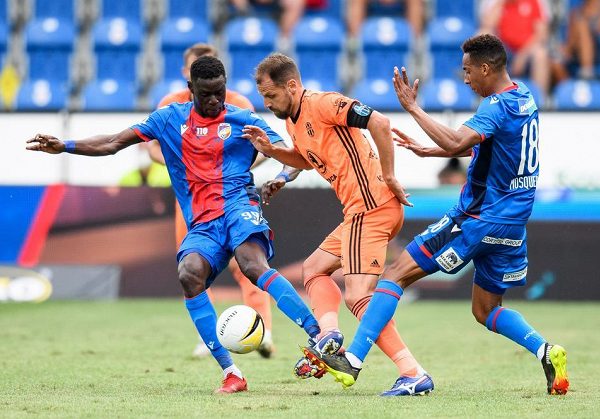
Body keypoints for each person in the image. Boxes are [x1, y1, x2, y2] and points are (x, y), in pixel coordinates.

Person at [26, 56, 322, 394]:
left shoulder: (243, 119)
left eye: (220, 93)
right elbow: (113, 143)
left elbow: (294, 155)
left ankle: (319, 335)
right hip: (203, 222)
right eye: (207, 94)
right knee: (189, 274)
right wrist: (65, 146)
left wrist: (282, 175)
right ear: (190, 90)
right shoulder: (168, 119)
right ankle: (232, 373)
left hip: (239, 205)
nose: (215, 101)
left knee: (252, 264)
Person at [301, 34, 570, 396]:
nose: (465, 78)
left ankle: (355, 361)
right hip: (514, 221)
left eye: (468, 70)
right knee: (485, 309)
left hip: (477, 218)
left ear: (486, 68)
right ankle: (546, 351)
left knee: (395, 274)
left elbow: (459, 141)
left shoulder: (494, 106)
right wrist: (431, 152)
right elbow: (490, 149)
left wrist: (413, 108)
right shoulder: (524, 97)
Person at [242, 53, 432, 396]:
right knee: (313, 269)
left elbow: (380, 123)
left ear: (292, 85)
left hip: (372, 207)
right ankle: (328, 334)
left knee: (358, 296)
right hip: (358, 213)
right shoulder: (292, 122)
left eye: (271, 96)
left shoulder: (325, 103)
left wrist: (389, 175)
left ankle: (412, 372)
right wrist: (272, 154)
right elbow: (305, 160)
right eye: (263, 98)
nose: (267, 104)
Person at [149, 42, 280, 359]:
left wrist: (233, 170)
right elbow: (152, 148)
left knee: (245, 263)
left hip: (233, 197)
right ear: (186, 75)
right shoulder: (170, 106)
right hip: (192, 203)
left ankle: (262, 330)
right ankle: (208, 337)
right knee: (192, 268)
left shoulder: (236, 103)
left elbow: (263, 147)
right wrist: (184, 165)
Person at [479, 0, 551, 95]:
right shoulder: (495, 2)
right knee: (483, 36)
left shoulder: (537, 2)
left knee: (541, 54)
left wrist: (522, 55)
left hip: (527, 50)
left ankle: (539, 101)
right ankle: (484, 98)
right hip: (503, 49)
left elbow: (542, 34)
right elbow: (487, 25)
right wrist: (501, 3)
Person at [551, 0, 600, 81]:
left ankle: (587, 72)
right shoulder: (576, 7)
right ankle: (571, 90)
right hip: (575, 49)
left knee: (582, 27)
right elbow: (570, 33)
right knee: (553, 63)